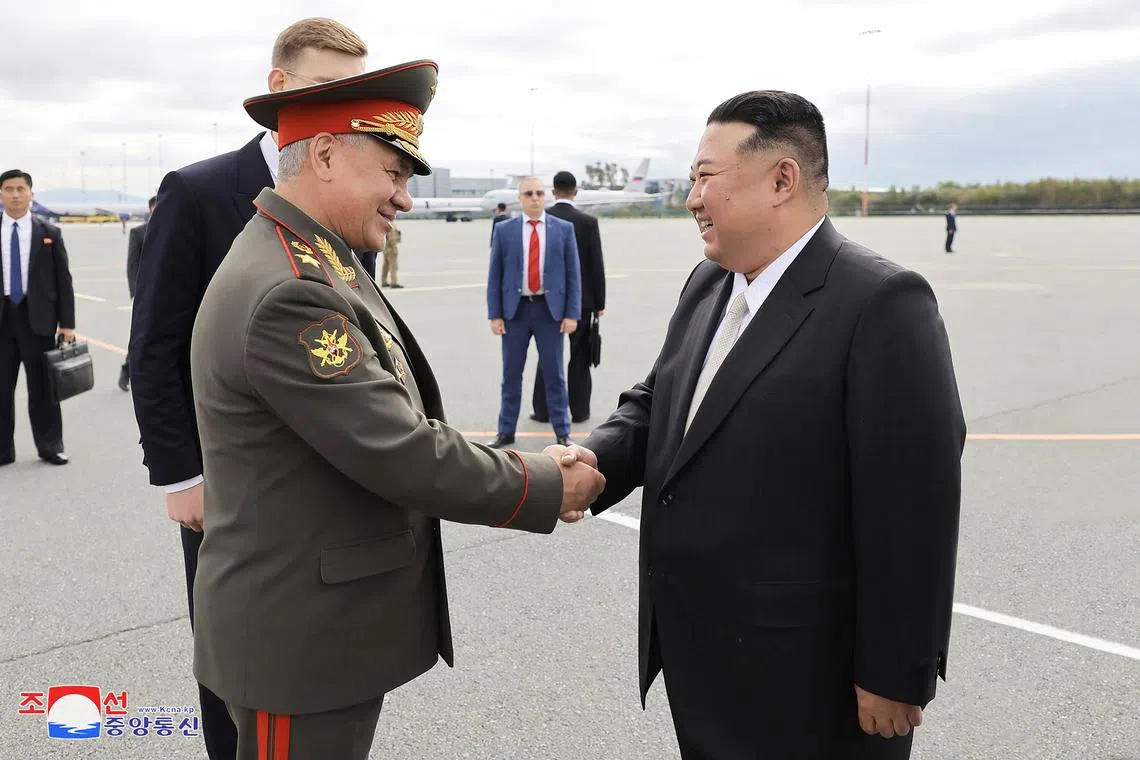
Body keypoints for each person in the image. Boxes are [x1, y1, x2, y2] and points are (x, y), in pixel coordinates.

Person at [189, 60, 604, 760]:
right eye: (393, 173)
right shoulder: (292, 290)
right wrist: (543, 482)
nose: (405, 199)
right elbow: (399, 448)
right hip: (298, 647)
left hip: (315, 631)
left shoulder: (317, 256)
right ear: (324, 156)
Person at [555, 90, 966, 758]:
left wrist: (897, 671)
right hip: (701, 653)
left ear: (782, 180)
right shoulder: (710, 283)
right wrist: (595, 462)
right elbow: (661, 402)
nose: (692, 199)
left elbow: (914, 504)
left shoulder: (880, 302)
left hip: (808, 678)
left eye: (706, 178)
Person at [127, 17, 369, 760]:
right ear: (278, 86)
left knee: (312, 650)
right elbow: (156, 342)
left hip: (320, 468)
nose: (340, 107)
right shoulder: (199, 191)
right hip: (227, 478)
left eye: (351, 93)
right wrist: (179, 475)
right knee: (234, 658)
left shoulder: (345, 188)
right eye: (325, 87)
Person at [485, 177, 581, 448]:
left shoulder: (563, 229)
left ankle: (563, 432)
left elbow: (573, 274)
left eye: (539, 193)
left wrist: (571, 314)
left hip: (550, 313)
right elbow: (495, 275)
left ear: (546, 196)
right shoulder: (504, 230)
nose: (535, 198)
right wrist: (495, 314)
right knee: (511, 375)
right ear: (520, 199)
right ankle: (505, 431)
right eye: (529, 193)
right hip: (514, 313)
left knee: (555, 375)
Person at [0, 169, 74, 467]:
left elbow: (63, 279)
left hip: (39, 321)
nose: (15, 195)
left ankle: (50, 446)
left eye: (21, 189)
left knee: (43, 389)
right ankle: (3, 451)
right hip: (3, 320)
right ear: (1, 195)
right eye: (9, 189)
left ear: (31, 193)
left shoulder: (48, 233)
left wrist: (67, 324)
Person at [531, 170, 605, 423]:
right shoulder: (588, 222)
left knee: (547, 356)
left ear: (553, 192)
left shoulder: (542, 220)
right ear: (576, 192)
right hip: (582, 301)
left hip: (546, 301)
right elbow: (596, 265)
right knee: (580, 357)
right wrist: (599, 302)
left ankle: (543, 410)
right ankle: (580, 410)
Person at [119, 195, 156, 391]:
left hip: (170, 294)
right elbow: (132, 265)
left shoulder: (175, 229)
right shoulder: (138, 232)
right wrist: (136, 293)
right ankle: (126, 371)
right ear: (150, 209)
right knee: (141, 336)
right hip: (146, 295)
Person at [380, 219, 402, 287]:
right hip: (391, 248)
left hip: (386, 248)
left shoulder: (385, 223)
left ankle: (384, 281)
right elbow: (392, 238)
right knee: (393, 266)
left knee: (386, 266)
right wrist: (394, 248)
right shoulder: (391, 225)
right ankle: (394, 282)